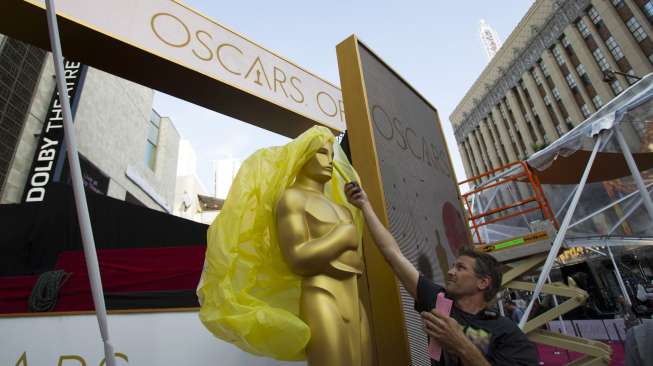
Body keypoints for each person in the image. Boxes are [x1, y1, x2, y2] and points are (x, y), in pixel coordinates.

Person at [345, 182, 539, 366]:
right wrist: (364, 204)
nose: (450, 271)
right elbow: (393, 255)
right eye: (453, 266)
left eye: (460, 268)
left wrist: (460, 343)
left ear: (483, 282)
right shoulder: (439, 302)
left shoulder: (508, 334)